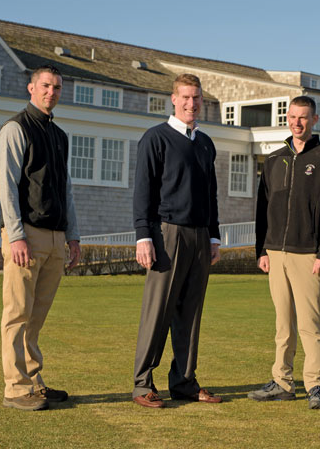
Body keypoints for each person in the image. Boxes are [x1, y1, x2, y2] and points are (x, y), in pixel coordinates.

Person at [131, 73, 222, 409]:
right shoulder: (155, 139)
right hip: (166, 234)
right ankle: (143, 384)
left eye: (196, 97)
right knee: (158, 312)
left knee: (191, 315)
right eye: (185, 97)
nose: (191, 103)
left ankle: (184, 382)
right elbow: (143, 192)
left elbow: (211, 195)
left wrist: (213, 235)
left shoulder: (206, 143)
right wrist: (144, 236)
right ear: (173, 98)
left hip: (200, 236)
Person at [248, 95, 320, 410]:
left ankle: (316, 385)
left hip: (308, 254)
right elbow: (263, 209)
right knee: (282, 323)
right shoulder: (275, 159)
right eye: (292, 117)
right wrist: (261, 249)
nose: (297, 123)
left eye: (303, 117)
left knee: (310, 324)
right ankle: (282, 381)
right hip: (276, 253)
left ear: (315, 120)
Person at [0, 64, 81, 411]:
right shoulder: (15, 129)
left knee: (36, 316)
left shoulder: (60, 136)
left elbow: (67, 190)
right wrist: (16, 235)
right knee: (17, 313)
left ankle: (33, 380)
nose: (51, 92)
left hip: (56, 237)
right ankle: (15, 388)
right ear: (31, 88)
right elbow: (7, 185)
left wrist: (73, 237)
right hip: (26, 236)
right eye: (45, 86)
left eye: (57, 88)